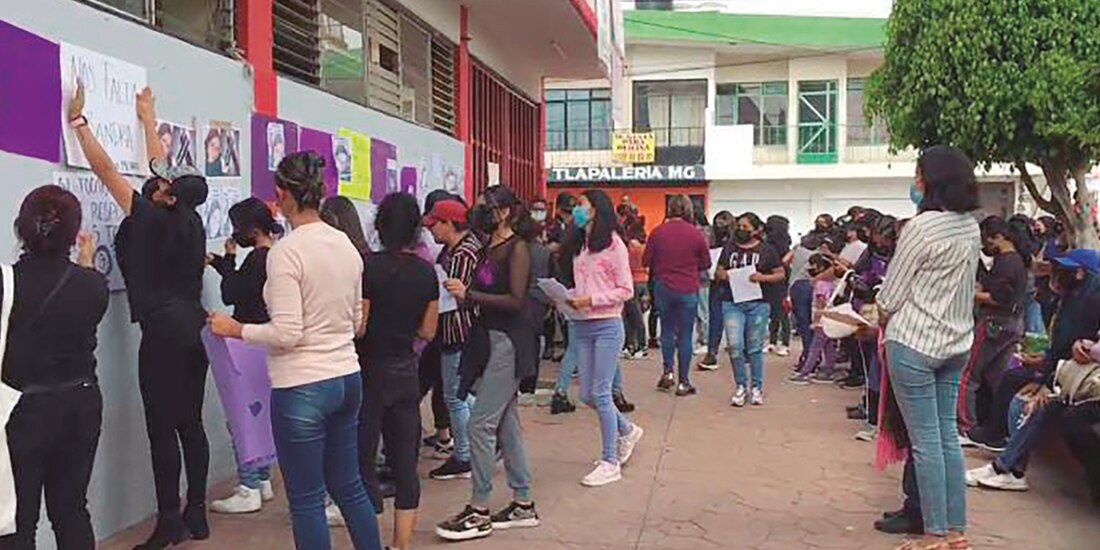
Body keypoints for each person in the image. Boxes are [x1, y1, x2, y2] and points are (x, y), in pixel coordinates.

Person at [209, 152, 383, 550]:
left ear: (282, 194)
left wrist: (235, 328)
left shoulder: (287, 253)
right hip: (346, 377)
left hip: (303, 384)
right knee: (350, 486)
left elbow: (287, 332)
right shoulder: (345, 244)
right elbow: (357, 320)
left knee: (305, 501)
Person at [69, 84, 212, 548]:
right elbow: (157, 164)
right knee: (191, 422)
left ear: (168, 196)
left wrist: (79, 124)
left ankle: (168, 520)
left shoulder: (150, 217)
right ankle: (196, 512)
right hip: (195, 327)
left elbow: (106, 170)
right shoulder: (192, 220)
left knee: (162, 427)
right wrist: (148, 116)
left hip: (164, 333)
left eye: (162, 184)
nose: (156, 181)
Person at [876, 145, 981, 550]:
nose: (915, 182)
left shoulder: (920, 228)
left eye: (918, 174)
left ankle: (935, 535)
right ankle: (956, 531)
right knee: (947, 438)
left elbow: (891, 295)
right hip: (956, 344)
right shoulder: (970, 227)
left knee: (925, 442)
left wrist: (879, 317)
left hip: (915, 344)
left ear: (932, 181)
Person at [0, 187, 106, 550]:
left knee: (18, 520)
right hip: (81, 405)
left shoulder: (6, 282)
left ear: (21, 228)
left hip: (22, 412)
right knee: (72, 509)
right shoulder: (93, 285)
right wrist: (87, 263)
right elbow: (86, 300)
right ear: (75, 236)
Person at [436, 185, 539, 542]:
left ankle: (479, 508)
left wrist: (469, 294)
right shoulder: (487, 247)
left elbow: (515, 300)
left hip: (510, 343)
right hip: (490, 341)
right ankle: (522, 501)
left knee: (481, 425)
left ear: (505, 212)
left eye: (486, 208)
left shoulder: (517, 248)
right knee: (505, 422)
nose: (479, 213)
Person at [357, 192, 439, 550]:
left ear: (380, 226)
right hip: (407, 371)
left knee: (363, 463)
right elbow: (428, 331)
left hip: (368, 370)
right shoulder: (426, 272)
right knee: (406, 464)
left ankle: (371, 541)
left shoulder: (367, 267)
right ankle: (401, 545)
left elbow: (359, 325)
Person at [207, 198, 284, 514]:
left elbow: (231, 292)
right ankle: (262, 478)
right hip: (266, 343)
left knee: (241, 417)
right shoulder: (277, 256)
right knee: (260, 413)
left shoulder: (257, 260)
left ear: (252, 230)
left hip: (247, 343)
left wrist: (226, 258)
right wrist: (221, 262)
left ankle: (248, 485)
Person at [566, 190, 645, 487]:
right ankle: (627, 430)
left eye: (582, 206)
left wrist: (592, 300)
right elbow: (583, 285)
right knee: (586, 394)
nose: (577, 210)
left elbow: (625, 290)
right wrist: (570, 298)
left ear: (597, 209)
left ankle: (610, 461)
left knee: (601, 393)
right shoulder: (580, 245)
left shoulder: (613, 245)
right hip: (583, 324)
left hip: (608, 325)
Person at [424, 199, 481, 481]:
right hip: (456, 330)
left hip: (459, 330)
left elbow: (470, 293)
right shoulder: (456, 250)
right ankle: (482, 443)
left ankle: (464, 455)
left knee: (454, 397)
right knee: (462, 394)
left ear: (448, 223)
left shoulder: (463, 254)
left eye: (435, 224)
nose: (431, 230)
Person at [958, 216, 1028, 438]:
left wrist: (970, 294)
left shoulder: (1006, 262)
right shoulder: (1017, 259)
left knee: (968, 374)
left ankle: (966, 426)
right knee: (998, 378)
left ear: (997, 237)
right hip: (1013, 323)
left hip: (994, 322)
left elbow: (998, 298)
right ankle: (1001, 426)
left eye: (985, 241)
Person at [714, 213, 786, 407]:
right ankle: (740, 386)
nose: (741, 230)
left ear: (756, 229)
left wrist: (762, 278)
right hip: (732, 302)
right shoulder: (729, 248)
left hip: (758, 303)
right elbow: (718, 270)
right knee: (735, 346)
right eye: (739, 226)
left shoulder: (767, 250)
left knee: (754, 347)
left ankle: (756, 387)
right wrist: (726, 275)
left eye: (746, 227)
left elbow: (780, 274)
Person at [644, 195, 711, 395]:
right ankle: (684, 381)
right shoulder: (696, 234)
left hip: (663, 286)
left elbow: (647, 260)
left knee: (666, 331)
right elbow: (706, 263)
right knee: (685, 334)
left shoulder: (657, 232)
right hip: (688, 287)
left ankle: (667, 373)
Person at [789, 254, 840, 384]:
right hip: (830, 318)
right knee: (828, 346)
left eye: (813, 265)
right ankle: (829, 371)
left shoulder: (820, 285)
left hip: (822, 321)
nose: (810, 268)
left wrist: (816, 321)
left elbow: (820, 304)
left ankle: (805, 373)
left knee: (815, 347)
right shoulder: (831, 283)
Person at [698, 211, 734, 371]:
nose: (720, 227)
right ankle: (712, 351)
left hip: (730, 281)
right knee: (715, 318)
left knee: (725, 318)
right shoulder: (709, 236)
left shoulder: (734, 241)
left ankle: (720, 350)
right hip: (715, 281)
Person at [786, 233, 823, 368]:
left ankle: (808, 357)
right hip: (814, 285)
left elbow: (784, 261)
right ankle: (814, 356)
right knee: (814, 324)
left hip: (797, 286)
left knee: (804, 325)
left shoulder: (798, 250)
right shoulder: (819, 254)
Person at [764, 215, 792, 357]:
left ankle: (785, 343)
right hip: (771, 277)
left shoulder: (783, 243)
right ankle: (772, 341)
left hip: (781, 279)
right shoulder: (768, 241)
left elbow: (784, 263)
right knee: (773, 312)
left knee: (782, 312)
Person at [622, 216, 649, 359]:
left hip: (632, 281)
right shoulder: (645, 246)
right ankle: (634, 345)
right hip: (644, 281)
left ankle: (637, 345)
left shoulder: (631, 246)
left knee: (633, 316)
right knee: (637, 315)